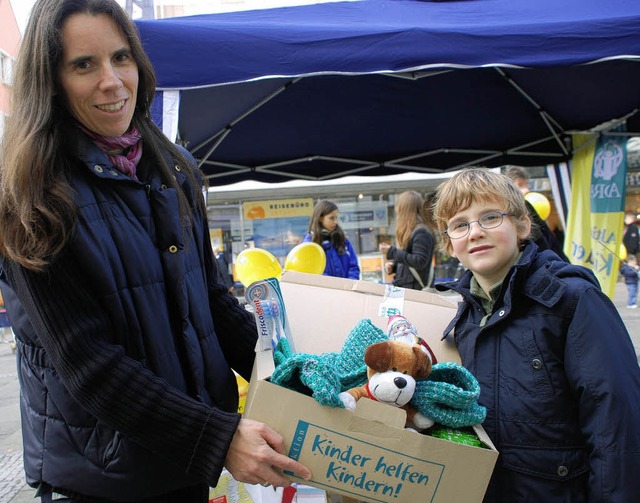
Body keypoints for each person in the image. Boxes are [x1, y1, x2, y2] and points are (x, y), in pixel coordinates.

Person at [0, 1, 311, 501]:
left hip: (184, 468)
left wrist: (295, 371)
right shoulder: (31, 195)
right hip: (101, 479)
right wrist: (220, 438)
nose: (112, 81)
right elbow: (87, 363)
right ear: (50, 80)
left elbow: (210, 301)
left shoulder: (172, 167)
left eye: (121, 58)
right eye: (84, 65)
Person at [432, 168, 640, 502]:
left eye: (489, 217)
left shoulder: (572, 301)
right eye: (460, 224)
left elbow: (617, 426)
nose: (475, 232)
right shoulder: (463, 320)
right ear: (449, 244)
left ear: (522, 226)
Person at [504, 165, 570, 262]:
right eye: (520, 185)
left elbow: (549, 244)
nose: (526, 190)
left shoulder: (528, 209)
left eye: (526, 185)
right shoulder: (507, 215)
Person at [379, 191, 436, 290]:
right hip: (407, 289)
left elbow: (420, 261)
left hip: (415, 292)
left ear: (404, 210)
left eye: (399, 208)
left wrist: (391, 252)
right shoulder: (412, 231)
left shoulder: (421, 232)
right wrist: (395, 267)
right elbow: (410, 262)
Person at [303, 200, 360, 279]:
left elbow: (353, 266)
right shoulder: (310, 243)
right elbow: (312, 270)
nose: (335, 222)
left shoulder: (342, 239)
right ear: (320, 218)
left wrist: (350, 284)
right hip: (323, 290)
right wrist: (332, 286)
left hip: (347, 289)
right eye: (331, 218)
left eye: (336, 217)